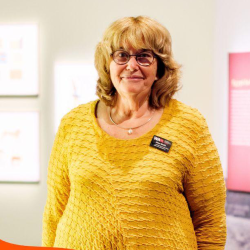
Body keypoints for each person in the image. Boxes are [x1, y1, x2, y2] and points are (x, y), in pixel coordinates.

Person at [42, 16, 227, 250]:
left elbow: (210, 221)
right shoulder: (73, 123)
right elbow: (53, 214)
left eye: (144, 56)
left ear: (159, 67)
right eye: (121, 55)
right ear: (107, 63)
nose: (131, 66)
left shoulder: (189, 124)